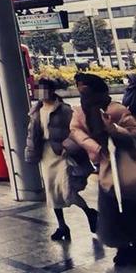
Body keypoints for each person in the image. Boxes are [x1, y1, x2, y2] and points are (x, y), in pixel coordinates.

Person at [70, 73, 136, 266]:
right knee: (111, 209)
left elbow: (134, 133)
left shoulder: (116, 110)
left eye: (86, 91)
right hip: (105, 167)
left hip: (125, 165)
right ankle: (123, 246)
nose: (83, 96)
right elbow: (76, 131)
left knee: (130, 206)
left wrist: (112, 129)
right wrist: (96, 147)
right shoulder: (81, 112)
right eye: (80, 91)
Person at [24, 79, 97, 240]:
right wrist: (31, 152)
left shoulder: (64, 109)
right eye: (38, 90)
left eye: (44, 89)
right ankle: (62, 226)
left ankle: (89, 212)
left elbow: (75, 130)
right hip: (46, 155)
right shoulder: (36, 110)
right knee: (52, 192)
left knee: (67, 190)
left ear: (51, 91)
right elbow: (32, 134)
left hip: (62, 155)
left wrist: (68, 146)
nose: (41, 93)